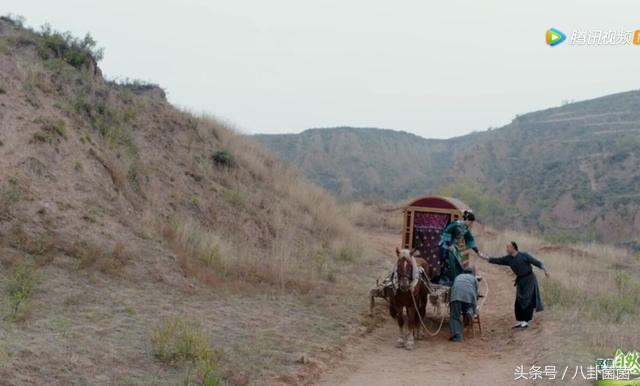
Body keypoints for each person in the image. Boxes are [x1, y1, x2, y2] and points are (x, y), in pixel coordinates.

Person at [478, 241, 549, 328]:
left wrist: (545, 270)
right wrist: (484, 257)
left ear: (513, 248)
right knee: (519, 301)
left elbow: (536, 262)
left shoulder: (524, 255)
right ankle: (521, 320)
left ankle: (526, 321)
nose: (506, 249)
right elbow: (497, 260)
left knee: (527, 301)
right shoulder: (508, 259)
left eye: (508, 247)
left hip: (529, 280)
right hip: (520, 281)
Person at [437, 210, 482, 285]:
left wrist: (477, 251)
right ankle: (447, 281)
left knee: (458, 263)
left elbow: (470, 240)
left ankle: (456, 280)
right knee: (449, 264)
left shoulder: (466, 228)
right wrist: (449, 244)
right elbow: (447, 232)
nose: (471, 224)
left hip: (454, 247)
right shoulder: (456, 224)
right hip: (446, 246)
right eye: (471, 222)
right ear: (467, 220)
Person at [448, 273, 479, 342]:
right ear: (473, 273)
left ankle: (457, 336)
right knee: (471, 305)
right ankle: (469, 312)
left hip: (456, 295)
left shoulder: (458, 276)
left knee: (454, 317)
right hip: (469, 295)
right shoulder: (474, 279)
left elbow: (452, 287)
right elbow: (477, 294)